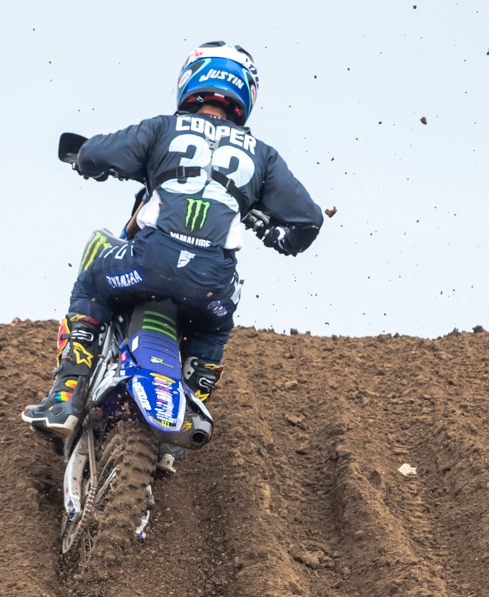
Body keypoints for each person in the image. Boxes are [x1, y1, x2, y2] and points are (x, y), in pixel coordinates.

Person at [22, 40, 324, 472]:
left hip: (151, 263)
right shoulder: (263, 156)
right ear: (246, 95)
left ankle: (67, 392)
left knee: (92, 275)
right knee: (213, 331)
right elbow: (308, 221)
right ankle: (180, 424)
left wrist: (86, 162)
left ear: (191, 80)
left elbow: (94, 154)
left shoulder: (165, 128)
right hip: (212, 286)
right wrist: (276, 235)